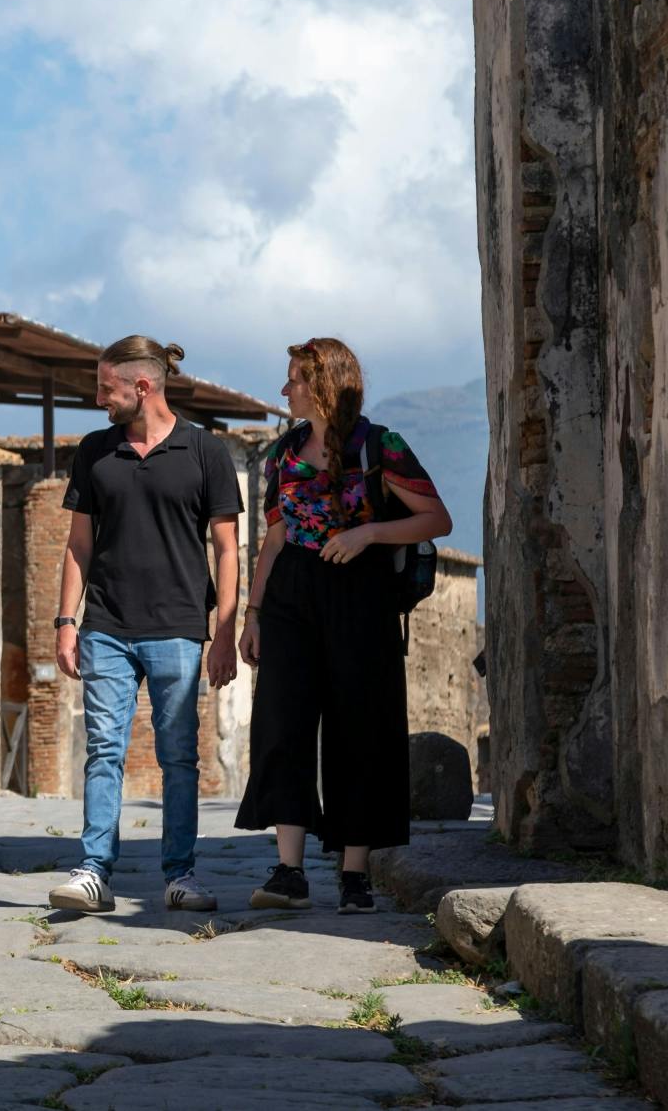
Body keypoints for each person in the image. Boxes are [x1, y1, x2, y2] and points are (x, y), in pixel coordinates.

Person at [236, 337, 452, 914]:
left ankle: (355, 875)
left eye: (295, 380)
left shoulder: (380, 445)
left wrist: (367, 534)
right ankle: (289, 871)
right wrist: (252, 615)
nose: (285, 390)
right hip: (290, 599)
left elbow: (437, 517)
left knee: (362, 728)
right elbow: (275, 538)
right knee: (282, 724)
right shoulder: (284, 453)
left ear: (325, 383)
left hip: (361, 596)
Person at [48, 336, 241, 915]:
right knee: (103, 748)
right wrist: (65, 621)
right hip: (105, 624)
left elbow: (227, 549)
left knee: (179, 755)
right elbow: (79, 544)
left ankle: (180, 876)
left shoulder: (205, 451)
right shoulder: (95, 451)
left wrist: (225, 631)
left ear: (142, 385)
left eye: (105, 388)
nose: (98, 399)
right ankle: (93, 872)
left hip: (180, 628)